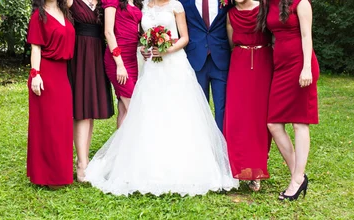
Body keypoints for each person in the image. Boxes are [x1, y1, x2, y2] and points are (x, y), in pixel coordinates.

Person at [85, 0, 239, 196]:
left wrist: (167, 49)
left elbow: (184, 38)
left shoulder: (176, 6)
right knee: (151, 112)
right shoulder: (145, 7)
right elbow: (142, 37)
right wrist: (143, 46)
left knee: (178, 111)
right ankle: (150, 163)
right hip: (152, 67)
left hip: (174, 64)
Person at [262, 0, 319, 200]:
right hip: (281, 67)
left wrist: (306, 68)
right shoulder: (269, 3)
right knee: (274, 124)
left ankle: (296, 180)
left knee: (299, 123)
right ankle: (299, 175)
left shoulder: (301, 3)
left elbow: (306, 36)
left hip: (300, 65)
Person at [26, 0, 76, 189]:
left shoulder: (66, 11)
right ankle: (48, 176)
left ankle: (60, 173)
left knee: (62, 125)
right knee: (48, 126)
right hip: (45, 73)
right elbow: (36, 48)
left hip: (62, 74)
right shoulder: (39, 16)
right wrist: (35, 74)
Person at [224, 0, 273, 192]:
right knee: (237, 117)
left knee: (259, 118)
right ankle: (236, 167)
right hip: (239, 64)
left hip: (263, 63)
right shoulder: (230, 14)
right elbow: (230, 42)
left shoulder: (264, 7)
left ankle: (256, 170)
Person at [67, 0, 115, 182]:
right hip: (79, 55)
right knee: (82, 110)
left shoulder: (103, 3)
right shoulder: (72, 1)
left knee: (91, 109)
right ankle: (81, 163)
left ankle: (84, 159)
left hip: (97, 55)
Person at [180, 0, 231, 131]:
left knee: (222, 106)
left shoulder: (228, 1)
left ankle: (221, 144)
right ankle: (204, 146)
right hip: (196, 58)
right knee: (199, 106)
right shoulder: (184, 2)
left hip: (220, 58)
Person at [103, 0, 143, 128]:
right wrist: (119, 64)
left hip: (132, 60)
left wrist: (142, 46)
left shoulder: (136, 3)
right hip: (117, 59)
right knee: (133, 107)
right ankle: (133, 145)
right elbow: (108, 32)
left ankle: (121, 147)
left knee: (124, 109)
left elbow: (133, 32)